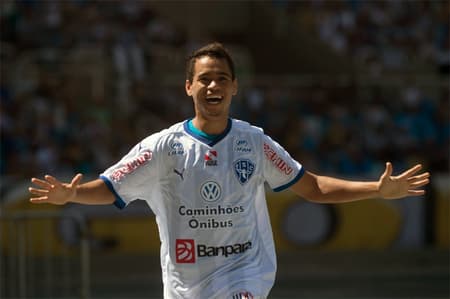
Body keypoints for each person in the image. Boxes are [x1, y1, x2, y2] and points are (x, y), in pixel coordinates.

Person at [29, 42, 430, 299]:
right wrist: (71, 194)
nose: (212, 85)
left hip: (246, 276)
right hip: (186, 287)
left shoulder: (254, 143)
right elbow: (111, 187)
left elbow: (313, 188)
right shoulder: (164, 147)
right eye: (204, 79)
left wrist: (376, 190)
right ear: (188, 87)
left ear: (235, 87)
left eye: (221, 78)